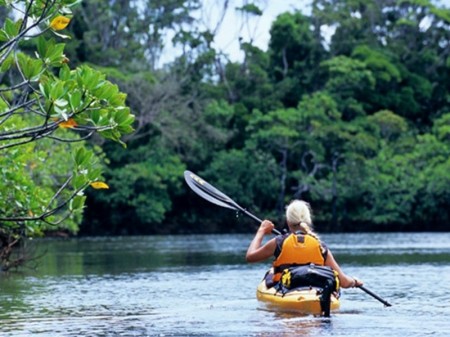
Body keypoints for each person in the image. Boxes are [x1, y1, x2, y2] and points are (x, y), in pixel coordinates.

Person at [246, 199, 363, 289]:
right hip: (315, 292)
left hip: (286, 291)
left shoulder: (279, 242)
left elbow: (250, 257)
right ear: (308, 220)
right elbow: (344, 282)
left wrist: (261, 231)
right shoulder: (320, 246)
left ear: (288, 221)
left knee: (270, 273)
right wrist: (354, 281)